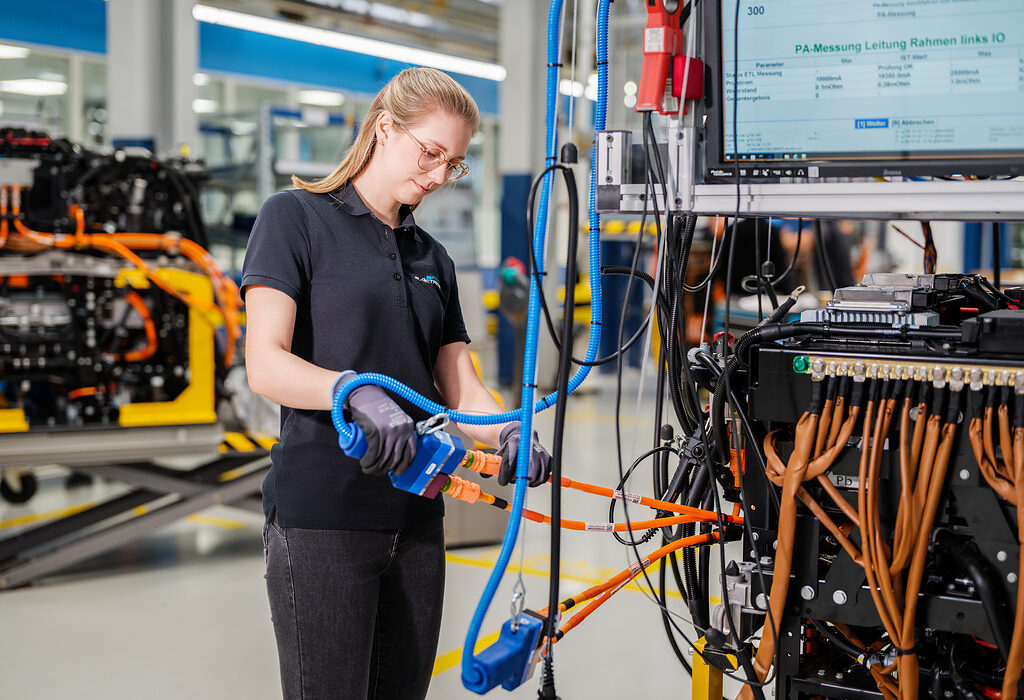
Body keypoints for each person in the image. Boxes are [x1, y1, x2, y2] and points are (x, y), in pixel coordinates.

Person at [241, 67, 552, 700]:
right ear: (386, 128)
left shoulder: (432, 257)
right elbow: (265, 362)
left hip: (416, 518)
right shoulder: (294, 218)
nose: (439, 175)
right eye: (431, 153)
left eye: (455, 164)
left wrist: (508, 430)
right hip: (323, 516)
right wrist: (348, 390)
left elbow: (459, 381)